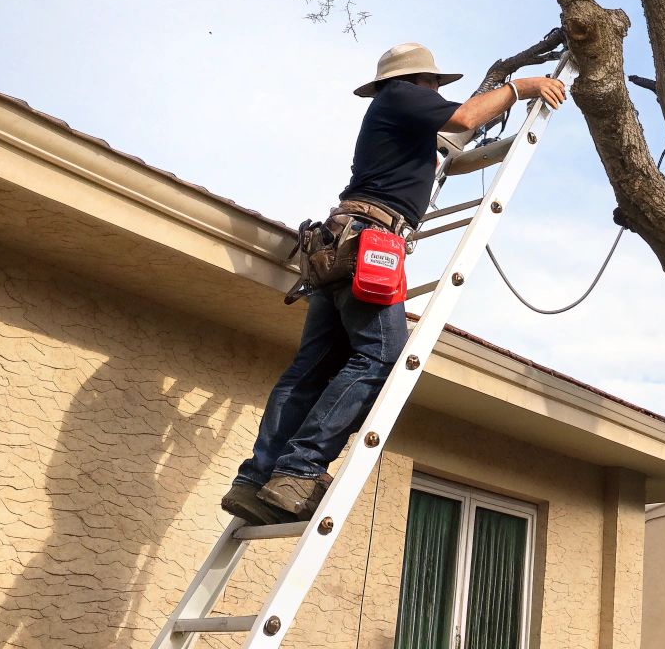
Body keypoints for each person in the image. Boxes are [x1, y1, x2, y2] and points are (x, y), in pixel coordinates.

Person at [221, 41, 567, 525]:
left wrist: (492, 120)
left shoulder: (398, 119)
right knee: (380, 355)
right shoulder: (402, 96)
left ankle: (256, 479)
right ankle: (299, 470)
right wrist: (521, 87)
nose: (435, 91)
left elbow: (457, 139)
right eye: (434, 84)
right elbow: (465, 119)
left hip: (341, 242)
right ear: (419, 82)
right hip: (369, 240)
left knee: (312, 367)